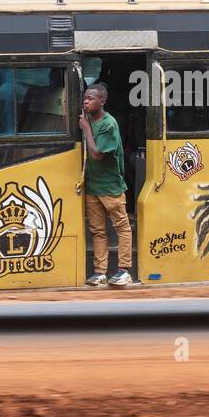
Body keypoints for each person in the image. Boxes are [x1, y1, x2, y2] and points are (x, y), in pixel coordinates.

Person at [79, 83, 135, 287]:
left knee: (122, 227)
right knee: (97, 230)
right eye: (85, 98)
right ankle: (100, 271)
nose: (86, 101)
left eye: (91, 98)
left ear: (102, 101)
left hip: (111, 186)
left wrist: (85, 129)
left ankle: (124, 270)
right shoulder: (89, 120)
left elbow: (97, 154)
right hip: (93, 185)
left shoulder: (108, 124)